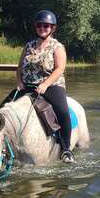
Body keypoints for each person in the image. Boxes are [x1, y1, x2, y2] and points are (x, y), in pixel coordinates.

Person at [16, 10, 74, 163]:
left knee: (63, 112)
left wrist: (45, 84)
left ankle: (66, 149)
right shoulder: (29, 45)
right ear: (36, 27)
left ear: (52, 28)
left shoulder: (57, 46)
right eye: (40, 25)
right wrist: (19, 82)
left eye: (46, 26)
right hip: (27, 86)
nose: (43, 28)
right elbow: (20, 66)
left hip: (52, 85)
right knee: (3, 110)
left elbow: (60, 69)